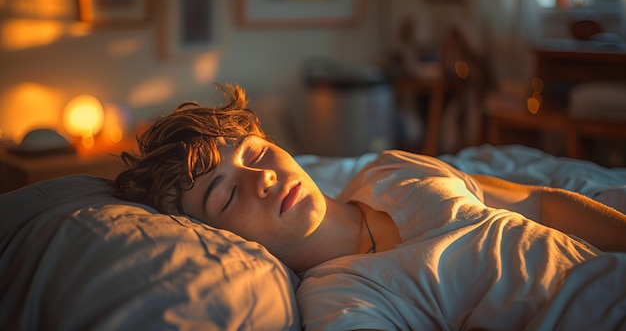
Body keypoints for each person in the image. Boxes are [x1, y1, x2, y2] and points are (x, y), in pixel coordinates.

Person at [114, 83, 626, 330]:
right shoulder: (339, 299)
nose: (263, 178)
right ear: (218, 235)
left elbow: (539, 201)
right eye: (226, 193)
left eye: (257, 154)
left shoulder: (393, 170)